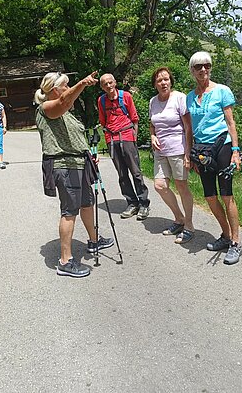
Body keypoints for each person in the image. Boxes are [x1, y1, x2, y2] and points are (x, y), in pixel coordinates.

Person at [34, 71, 114, 278]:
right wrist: (82, 84)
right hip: (64, 164)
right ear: (54, 89)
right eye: (66, 85)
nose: (69, 88)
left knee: (87, 203)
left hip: (79, 163)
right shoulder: (46, 109)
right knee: (69, 211)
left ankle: (94, 240)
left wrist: (86, 153)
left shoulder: (67, 113)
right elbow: (62, 101)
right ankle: (65, 261)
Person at [186, 51, 242, 265]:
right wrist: (190, 155)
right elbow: (189, 129)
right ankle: (226, 235)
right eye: (199, 66)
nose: (203, 70)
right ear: (192, 70)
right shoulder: (190, 97)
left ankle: (236, 243)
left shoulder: (222, 91)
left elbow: (230, 123)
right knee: (210, 197)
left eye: (207, 66)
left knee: (227, 195)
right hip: (202, 151)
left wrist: (235, 151)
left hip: (222, 147)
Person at [149, 67, 194, 244]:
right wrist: (152, 135)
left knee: (182, 187)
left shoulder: (179, 98)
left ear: (171, 81)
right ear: (155, 84)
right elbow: (152, 124)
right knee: (160, 185)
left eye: (166, 79)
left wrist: (188, 153)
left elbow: (188, 127)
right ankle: (179, 218)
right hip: (160, 151)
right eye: (159, 80)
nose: (163, 83)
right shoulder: (153, 101)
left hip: (178, 149)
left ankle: (189, 226)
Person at [98, 73, 150, 220]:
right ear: (102, 87)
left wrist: (134, 138)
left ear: (115, 82)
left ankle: (144, 203)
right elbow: (103, 121)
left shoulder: (126, 96)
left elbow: (134, 118)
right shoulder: (101, 101)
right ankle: (132, 203)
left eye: (110, 82)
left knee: (136, 172)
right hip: (111, 139)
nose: (108, 86)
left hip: (127, 136)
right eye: (105, 84)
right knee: (122, 174)